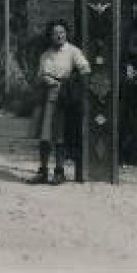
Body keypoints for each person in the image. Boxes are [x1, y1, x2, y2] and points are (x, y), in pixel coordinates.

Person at [29, 20, 91, 184]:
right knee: (44, 136)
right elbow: (39, 74)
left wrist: (69, 82)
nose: (58, 35)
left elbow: (85, 69)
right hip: (45, 95)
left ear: (66, 34)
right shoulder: (46, 54)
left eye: (62, 32)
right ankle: (42, 171)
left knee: (59, 135)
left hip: (63, 96)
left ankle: (59, 171)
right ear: (50, 36)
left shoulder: (73, 51)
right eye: (55, 33)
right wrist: (44, 79)